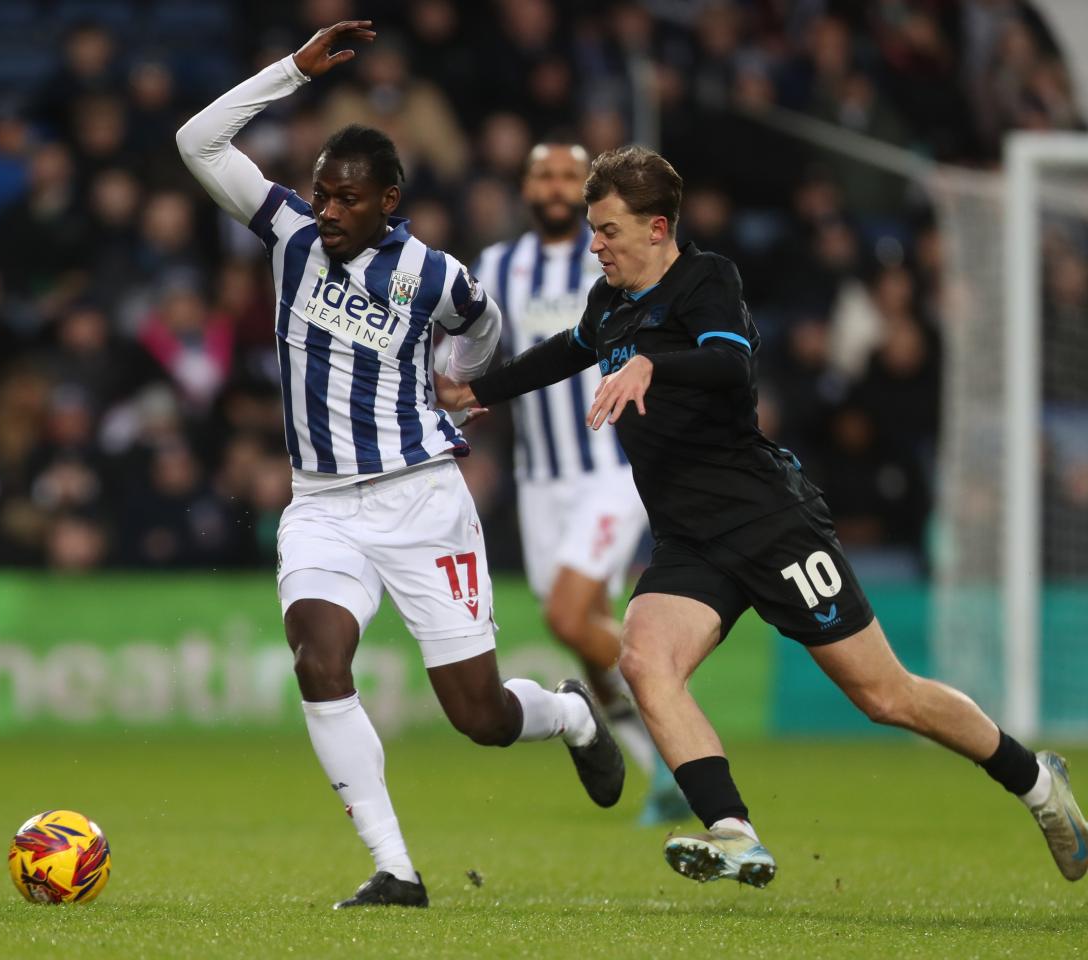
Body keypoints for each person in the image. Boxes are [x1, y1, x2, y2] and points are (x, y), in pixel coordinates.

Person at [437, 144, 1087, 888]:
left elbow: (730, 362)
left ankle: (1035, 780)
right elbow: (568, 351)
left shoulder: (707, 280)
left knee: (884, 694)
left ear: (657, 227)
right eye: (593, 230)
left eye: (608, 230)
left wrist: (653, 364)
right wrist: (477, 391)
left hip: (768, 522)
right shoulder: (608, 302)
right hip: (689, 538)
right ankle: (734, 831)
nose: (596, 246)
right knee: (645, 661)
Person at [176, 21, 625, 909]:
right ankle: (396, 869)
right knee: (318, 661)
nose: (328, 211)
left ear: (388, 199)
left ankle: (571, 714)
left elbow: (483, 326)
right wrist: (292, 71)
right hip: (322, 506)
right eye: (321, 194)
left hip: (422, 502)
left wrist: (462, 386)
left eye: (347, 199)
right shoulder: (288, 235)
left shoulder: (434, 274)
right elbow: (197, 141)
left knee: (480, 716)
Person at [473, 141, 688, 824]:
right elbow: (474, 346)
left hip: (610, 470)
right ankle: (660, 768)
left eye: (570, 175)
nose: (557, 186)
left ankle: (676, 720)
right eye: (545, 175)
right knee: (585, 630)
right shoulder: (497, 267)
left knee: (567, 616)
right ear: (527, 188)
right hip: (539, 481)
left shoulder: (613, 258)